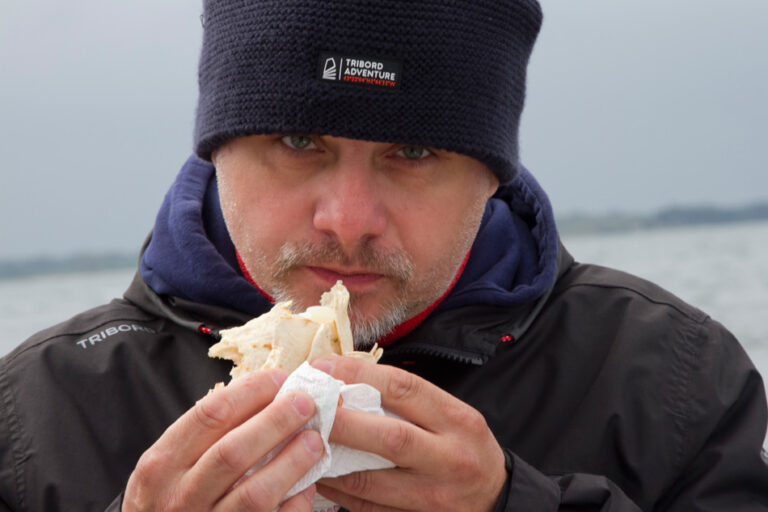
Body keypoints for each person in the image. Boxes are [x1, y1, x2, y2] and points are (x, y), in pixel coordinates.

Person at [1, 0, 767, 510]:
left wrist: (515, 503)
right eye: (297, 141)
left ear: (491, 176)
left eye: (414, 151)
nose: (348, 221)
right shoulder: (36, 417)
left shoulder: (675, 383)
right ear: (217, 150)